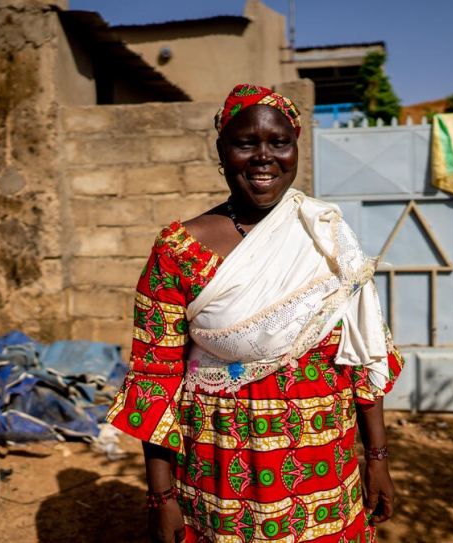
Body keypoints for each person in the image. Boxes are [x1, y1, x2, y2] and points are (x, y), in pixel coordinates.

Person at [107, 84, 405, 543]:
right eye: (246, 143)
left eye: (278, 143)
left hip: (324, 471)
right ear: (222, 151)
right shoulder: (180, 250)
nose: (264, 157)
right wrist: (161, 498)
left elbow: (364, 356)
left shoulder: (327, 237)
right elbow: (154, 377)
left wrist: (378, 459)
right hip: (221, 473)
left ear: (296, 149)